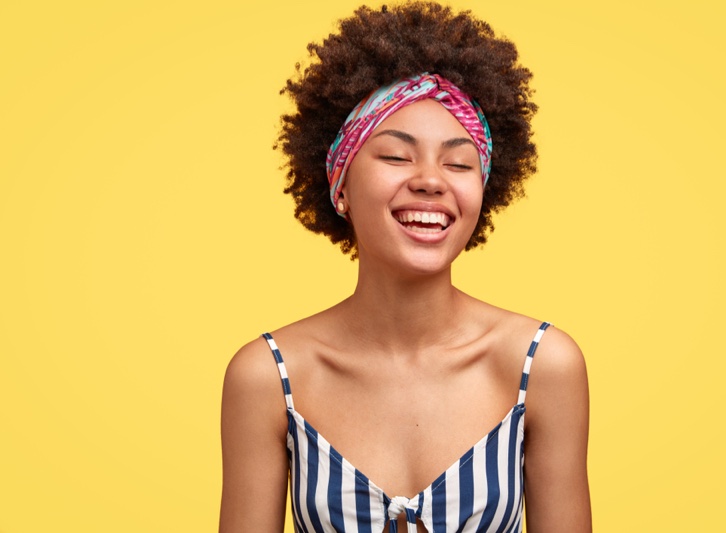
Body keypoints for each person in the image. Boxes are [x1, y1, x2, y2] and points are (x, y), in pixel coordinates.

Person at [219, 2, 591, 532]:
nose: (431, 180)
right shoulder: (268, 377)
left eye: (460, 163)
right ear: (341, 186)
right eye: (396, 156)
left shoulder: (542, 367)